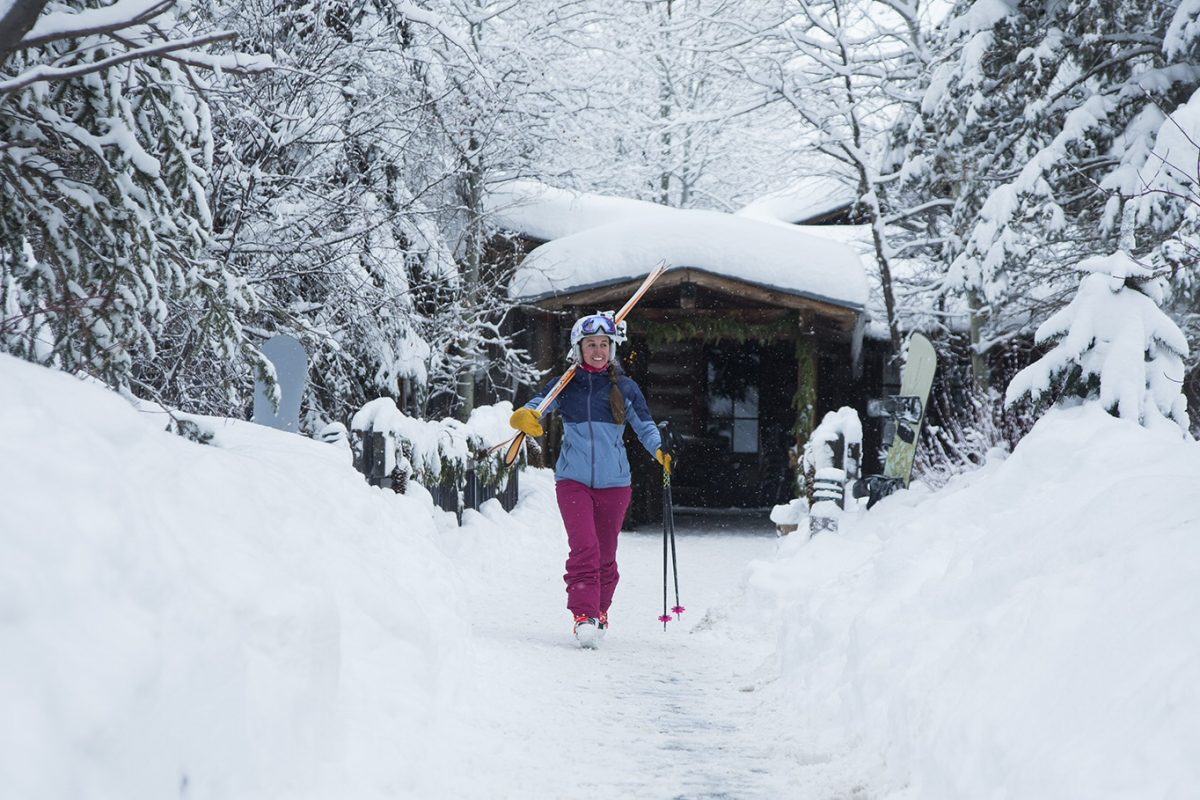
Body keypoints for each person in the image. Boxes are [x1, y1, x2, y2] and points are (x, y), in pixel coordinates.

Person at [509, 312, 672, 648]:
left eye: (603, 344)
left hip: (616, 484)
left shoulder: (625, 388)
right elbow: (536, 408)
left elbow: (645, 427)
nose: (597, 351)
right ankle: (583, 614)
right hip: (573, 480)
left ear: (612, 348)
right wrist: (527, 417)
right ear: (578, 348)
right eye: (590, 344)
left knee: (606, 553)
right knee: (585, 547)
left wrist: (661, 451)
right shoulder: (566, 385)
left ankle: (601, 609)